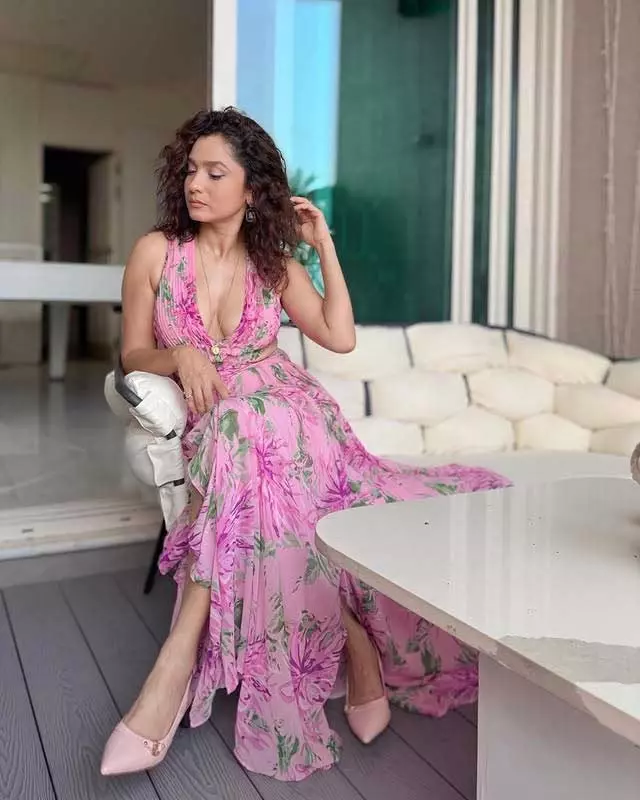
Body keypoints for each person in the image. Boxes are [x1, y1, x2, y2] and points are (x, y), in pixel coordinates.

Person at [100, 108, 508, 782]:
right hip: (223, 422)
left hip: (295, 416)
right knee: (239, 433)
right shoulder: (156, 252)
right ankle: (353, 636)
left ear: (251, 188)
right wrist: (181, 355)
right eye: (191, 170)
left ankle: (176, 661)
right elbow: (133, 354)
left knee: (251, 431)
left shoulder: (275, 263)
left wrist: (323, 246)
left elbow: (338, 337)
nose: (195, 183)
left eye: (215, 173)